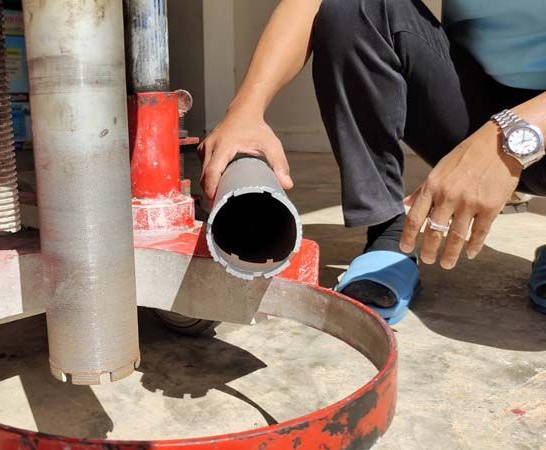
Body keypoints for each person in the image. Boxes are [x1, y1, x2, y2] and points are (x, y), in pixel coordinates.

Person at [199, 0, 546, 324]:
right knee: (354, 7)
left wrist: (505, 138)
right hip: (471, 106)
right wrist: (246, 109)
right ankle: (388, 234)